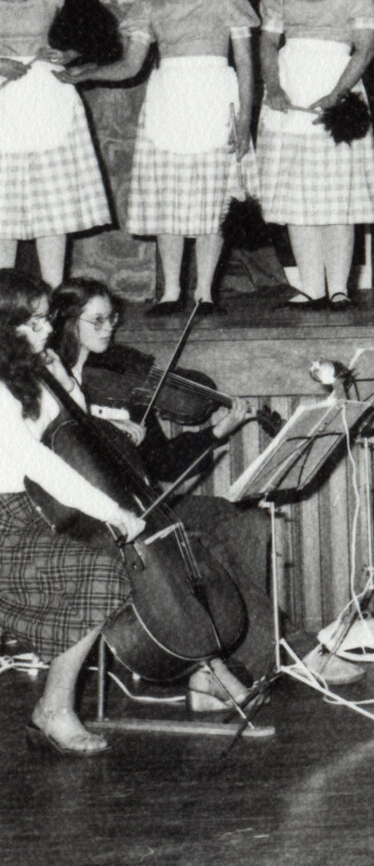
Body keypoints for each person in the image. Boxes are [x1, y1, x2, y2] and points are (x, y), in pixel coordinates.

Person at [0, 269, 246, 755]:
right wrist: (112, 511)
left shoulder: (27, 376)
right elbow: (39, 459)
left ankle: (198, 671)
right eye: (34, 324)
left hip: (27, 511)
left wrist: (96, 410)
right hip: (6, 519)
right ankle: (53, 709)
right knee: (100, 569)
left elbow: (69, 426)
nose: (48, 330)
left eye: (47, 319)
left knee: (115, 565)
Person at [41, 276, 317, 682]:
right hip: (94, 516)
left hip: (144, 501)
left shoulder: (126, 384)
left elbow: (163, 463)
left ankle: (235, 648)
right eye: (97, 321)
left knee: (243, 520)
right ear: (67, 322)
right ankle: (281, 654)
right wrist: (105, 424)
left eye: (112, 318)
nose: (109, 329)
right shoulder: (47, 382)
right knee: (196, 541)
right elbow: (54, 449)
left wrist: (218, 431)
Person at [64, 0, 256, 315]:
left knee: (212, 203)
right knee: (170, 203)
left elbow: (246, 65)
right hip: (169, 101)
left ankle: (204, 293)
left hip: (215, 98)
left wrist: (243, 119)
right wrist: (86, 71)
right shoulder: (150, 4)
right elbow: (131, 66)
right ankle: (171, 293)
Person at [256, 0, 374, 310]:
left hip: (337, 85)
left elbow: (365, 49)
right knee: (296, 194)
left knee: (337, 195)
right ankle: (310, 287)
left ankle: (338, 288)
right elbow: (267, 41)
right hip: (291, 87)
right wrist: (273, 85)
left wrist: (337, 93)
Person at [0, 0, 114, 284]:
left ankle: (53, 297)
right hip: (4, 103)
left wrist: (71, 53)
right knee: (2, 210)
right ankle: (6, 306)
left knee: (53, 209)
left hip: (47, 101)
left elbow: (99, 26)